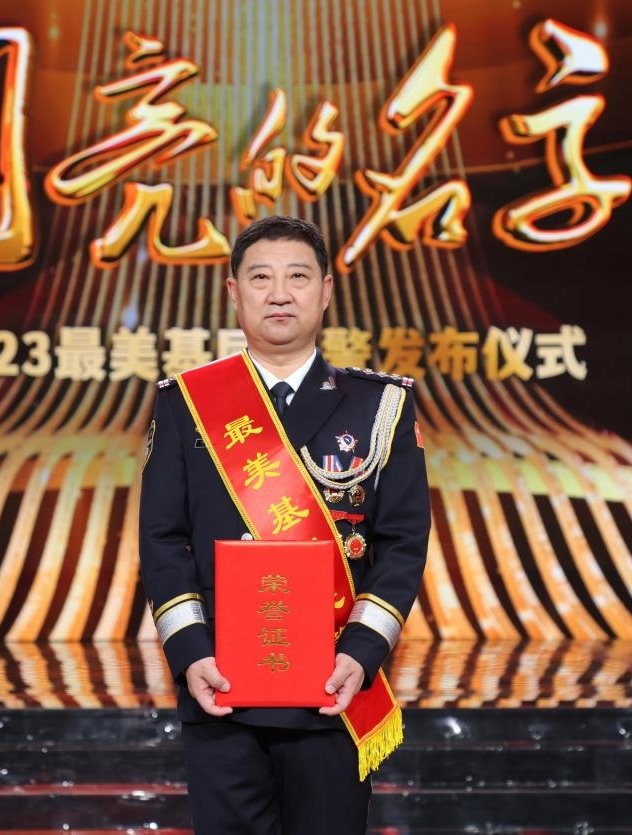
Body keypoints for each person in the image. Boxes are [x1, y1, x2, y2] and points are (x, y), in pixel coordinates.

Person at [138, 215, 430, 834]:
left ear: (325, 291)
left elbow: (402, 544)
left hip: (333, 684)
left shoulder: (380, 406)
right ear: (233, 292)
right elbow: (162, 541)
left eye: (297, 277)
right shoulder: (186, 402)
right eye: (260, 278)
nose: (279, 294)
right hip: (220, 685)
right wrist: (191, 652)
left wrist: (361, 651)